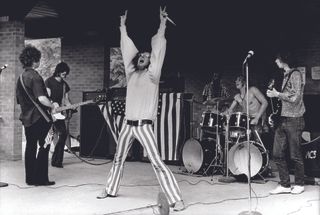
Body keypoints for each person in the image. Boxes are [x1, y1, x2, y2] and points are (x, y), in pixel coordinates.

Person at [96, 8, 185, 211]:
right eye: (142, 55)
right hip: (128, 125)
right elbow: (126, 48)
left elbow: (158, 50)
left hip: (144, 125)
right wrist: (122, 26)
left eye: (147, 55)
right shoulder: (131, 74)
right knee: (118, 158)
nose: (144, 56)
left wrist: (162, 25)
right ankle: (110, 189)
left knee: (156, 162)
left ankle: (176, 199)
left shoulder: (153, 76)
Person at [16, 45, 56, 186]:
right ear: (34, 61)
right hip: (40, 118)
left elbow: (19, 100)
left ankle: (30, 178)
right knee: (44, 146)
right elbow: (41, 99)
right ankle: (41, 179)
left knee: (30, 147)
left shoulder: (20, 78)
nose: (39, 62)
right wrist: (52, 105)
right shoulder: (35, 76)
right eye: (38, 59)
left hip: (27, 119)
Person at [267, 52, 305, 195]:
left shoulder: (295, 74)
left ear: (284, 59)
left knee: (295, 154)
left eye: (277, 58)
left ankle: (300, 184)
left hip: (294, 119)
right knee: (277, 153)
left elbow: (295, 97)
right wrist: (273, 95)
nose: (276, 61)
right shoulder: (283, 75)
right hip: (282, 119)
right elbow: (283, 98)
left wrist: (277, 94)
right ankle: (285, 185)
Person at [45, 62, 72, 168]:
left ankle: (57, 160)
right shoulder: (49, 81)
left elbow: (66, 100)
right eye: (62, 71)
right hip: (49, 112)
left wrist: (70, 106)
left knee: (63, 134)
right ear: (58, 71)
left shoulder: (65, 85)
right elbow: (47, 97)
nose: (64, 73)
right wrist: (52, 107)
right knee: (47, 137)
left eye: (66, 72)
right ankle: (49, 160)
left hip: (59, 113)